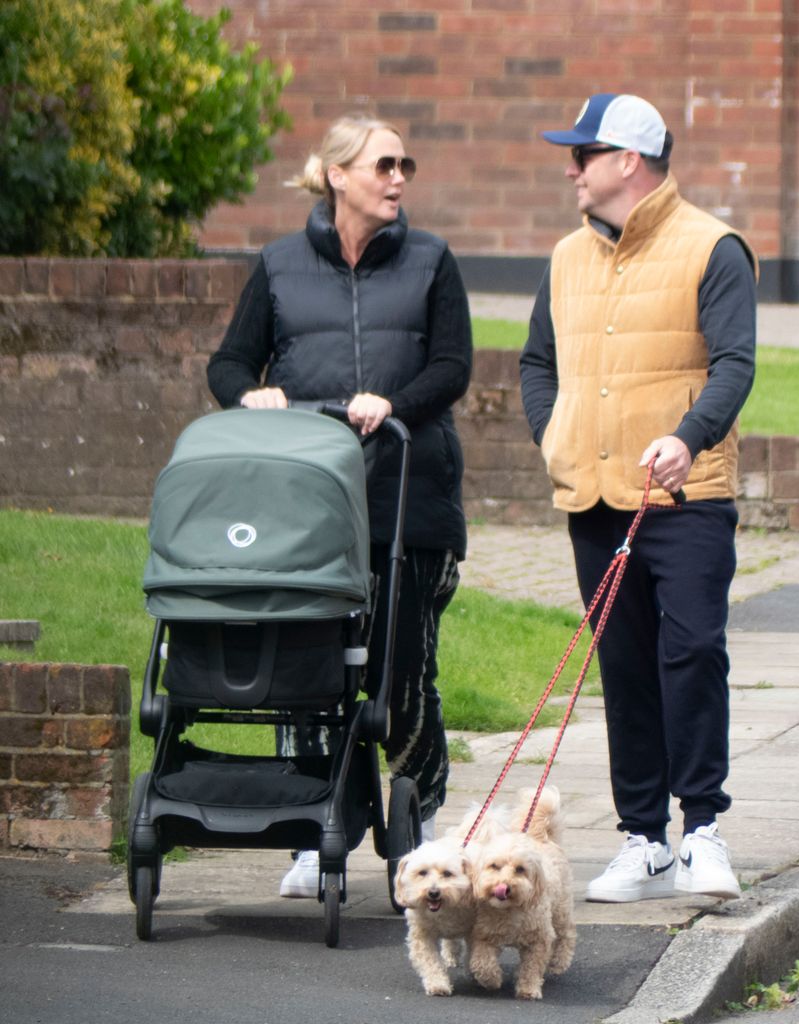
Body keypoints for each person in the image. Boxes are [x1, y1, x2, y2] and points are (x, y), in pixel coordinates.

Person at [207, 114, 472, 898]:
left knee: (402, 675)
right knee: (306, 672)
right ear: (337, 175)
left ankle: (416, 830)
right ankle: (309, 829)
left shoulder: (430, 260)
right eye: (384, 164)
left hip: (408, 505)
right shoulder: (281, 265)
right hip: (307, 513)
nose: (399, 178)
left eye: (405, 165)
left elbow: (454, 366)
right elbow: (227, 363)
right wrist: (251, 396)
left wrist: (392, 401)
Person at [519, 93, 758, 903]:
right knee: (621, 667)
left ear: (627, 161)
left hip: (685, 499)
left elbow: (733, 364)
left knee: (690, 654)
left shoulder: (712, 248)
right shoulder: (563, 258)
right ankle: (642, 839)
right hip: (593, 497)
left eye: (581, 155)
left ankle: (703, 833)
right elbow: (536, 364)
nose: (569, 169)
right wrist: (557, 434)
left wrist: (687, 437)